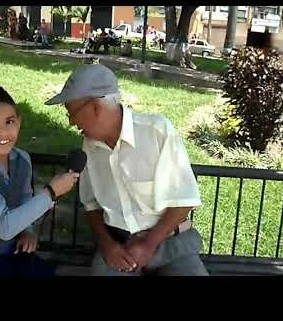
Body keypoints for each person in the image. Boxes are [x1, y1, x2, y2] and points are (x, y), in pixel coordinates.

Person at [44, 65, 209, 276]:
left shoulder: (156, 131)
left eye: (72, 113)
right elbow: (91, 205)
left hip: (171, 242)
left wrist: (149, 244)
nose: (70, 122)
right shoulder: (89, 146)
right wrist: (107, 246)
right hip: (118, 247)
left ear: (96, 107)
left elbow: (185, 200)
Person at [0, 85, 80, 276]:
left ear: (19, 122)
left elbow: (23, 198)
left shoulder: (22, 159)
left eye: (9, 122)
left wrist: (27, 230)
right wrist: (51, 193)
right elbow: (4, 227)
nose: (2, 132)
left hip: (14, 250)